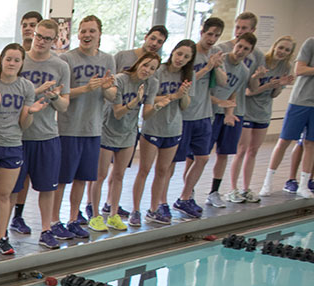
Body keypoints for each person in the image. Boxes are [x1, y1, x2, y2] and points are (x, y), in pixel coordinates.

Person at [0, 43, 47, 257]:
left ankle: (2, 237)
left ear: (22, 63)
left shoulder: (26, 87)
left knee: (4, 195)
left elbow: (24, 125)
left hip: (13, 146)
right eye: (8, 59)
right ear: (1, 60)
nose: (12, 63)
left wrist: (31, 111)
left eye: (16, 60)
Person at [56, 15, 116, 237]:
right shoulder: (68, 60)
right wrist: (86, 88)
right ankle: (54, 220)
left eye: (91, 31)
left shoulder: (108, 60)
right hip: (69, 128)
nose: (87, 35)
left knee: (82, 178)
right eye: (83, 31)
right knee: (62, 179)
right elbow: (62, 93)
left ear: (99, 34)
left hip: (93, 129)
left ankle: (73, 218)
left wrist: (107, 88)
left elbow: (111, 94)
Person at [14, 18, 69, 250]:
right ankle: (10, 220)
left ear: (54, 41)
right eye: (39, 36)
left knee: (47, 187)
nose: (42, 41)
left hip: (46, 135)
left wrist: (55, 96)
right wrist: (35, 92)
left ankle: (46, 230)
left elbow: (64, 106)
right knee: (13, 186)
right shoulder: (19, 60)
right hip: (18, 135)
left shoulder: (60, 66)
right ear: (32, 34)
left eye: (47, 38)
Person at [94, 51, 158, 231]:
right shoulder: (121, 79)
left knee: (119, 175)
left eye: (152, 68)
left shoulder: (152, 84)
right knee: (101, 175)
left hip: (129, 133)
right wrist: (135, 101)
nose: (147, 70)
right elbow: (117, 112)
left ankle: (113, 214)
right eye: (145, 65)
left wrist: (157, 107)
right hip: (108, 130)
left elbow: (146, 113)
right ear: (138, 64)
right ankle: (95, 215)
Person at [134, 40, 194, 226]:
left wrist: (183, 94)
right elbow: (147, 99)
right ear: (173, 52)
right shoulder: (158, 72)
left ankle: (154, 209)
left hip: (173, 128)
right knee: (144, 170)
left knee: (163, 171)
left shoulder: (187, 76)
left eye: (186, 57)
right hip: (153, 127)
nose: (181, 59)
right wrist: (173, 96)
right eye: (179, 54)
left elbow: (184, 106)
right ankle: (136, 210)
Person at [174, 17, 227, 219]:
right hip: (185, 114)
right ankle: (162, 201)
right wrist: (207, 67)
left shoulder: (214, 55)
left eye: (216, 35)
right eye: (209, 34)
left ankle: (185, 196)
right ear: (201, 32)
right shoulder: (190, 54)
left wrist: (217, 66)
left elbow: (222, 83)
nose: (212, 39)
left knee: (203, 158)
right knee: (172, 162)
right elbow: (186, 80)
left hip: (205, 115)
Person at [235, 36, 295, 201]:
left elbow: (274, 94)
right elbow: (249, 92)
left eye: (287, 50)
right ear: (274, 46)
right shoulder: (261, 61)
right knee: (241, 150)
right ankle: (234, 189)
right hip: (248, 110)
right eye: (280, 47)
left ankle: (246, 188)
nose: (282, 52)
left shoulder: (286, 67)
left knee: (253, 151)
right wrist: (267, 83)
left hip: (264, 112)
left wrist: (278, 85)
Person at [204, 32, 255, 209]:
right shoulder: (219, 60)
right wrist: (218, 103)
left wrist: (229, 112)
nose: (241, 50)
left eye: (246, 49)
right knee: (199, 155)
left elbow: (233, 93)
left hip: (224, 112)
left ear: (250, 52)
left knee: (223, 153)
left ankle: (213, 192)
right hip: (207, 112)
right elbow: (205, 90)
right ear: (234, 44)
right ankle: (189, 192)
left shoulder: (244, 71)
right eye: (239, 46)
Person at [259, 36, 314, 199]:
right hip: (300, 101)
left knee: (310, 144)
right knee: (284, 141)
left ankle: (303, 185)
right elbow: (300, 70)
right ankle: (267, 182)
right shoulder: (310, 43)